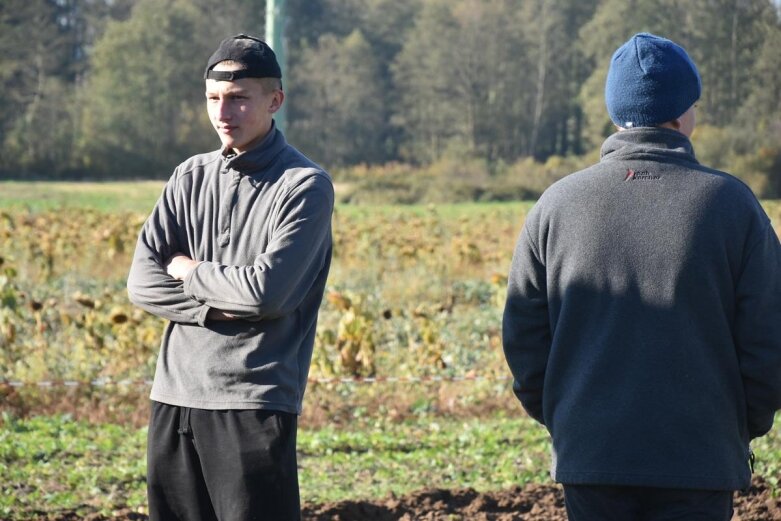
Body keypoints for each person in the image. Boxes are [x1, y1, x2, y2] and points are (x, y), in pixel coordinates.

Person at [502, 32, 781, 520]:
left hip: (591, 457)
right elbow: (768, 338)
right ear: (683, 113)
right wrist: (740, 425)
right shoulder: (732, 204)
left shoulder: (556, 205)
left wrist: (568, 419)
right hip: (701, 456)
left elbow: (524, 339)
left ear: (615, 113)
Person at [127, 34, 334, 520]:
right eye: (214, 99)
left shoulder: (303, 186)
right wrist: (211, 306)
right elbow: (141, 282)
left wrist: (188, 269)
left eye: (239, 99)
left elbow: (265, 292)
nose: (224, 113)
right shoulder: (189, 177)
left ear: (274, 100)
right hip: (173, 396)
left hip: (252, 401)